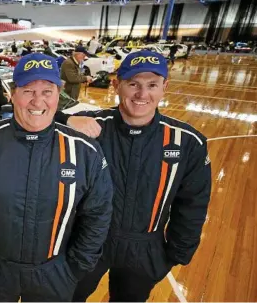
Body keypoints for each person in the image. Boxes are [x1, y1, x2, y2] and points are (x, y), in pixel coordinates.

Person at [0, 53, 113, 302]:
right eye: (28, 91)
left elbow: (98, 215)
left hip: (55, 273)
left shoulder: (85, 151)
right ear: (13, 95)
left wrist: (75, 268)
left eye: (47, 91)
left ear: (58, 95)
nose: (38, 101)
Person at [54, 50, 212, 302]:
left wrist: (175, 253)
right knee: (67, 297)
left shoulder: (187, 142)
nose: (142, 94)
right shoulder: (92, 127)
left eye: (152, 85)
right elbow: (30, 118)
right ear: (117, 85)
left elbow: (193, 203)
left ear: (165, 87)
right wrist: (66, 119)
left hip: (145, 248)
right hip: (88, 242)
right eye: (133, 84)